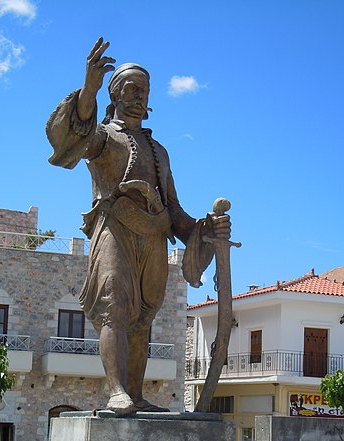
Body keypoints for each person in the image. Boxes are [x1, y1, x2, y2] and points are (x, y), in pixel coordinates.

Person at [46, 38, 231, 415]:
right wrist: (89, 90)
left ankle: (136, 392)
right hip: (115, 229)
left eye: (143, 91)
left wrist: (205, 229)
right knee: (115, 307)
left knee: (143, 318)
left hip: (154, 237)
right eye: (129, 90)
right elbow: (77, 133)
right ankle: (117, 392)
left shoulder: (159, 151)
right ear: (114, 95)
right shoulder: (103, 137)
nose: (137, 96)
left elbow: (174, 210)